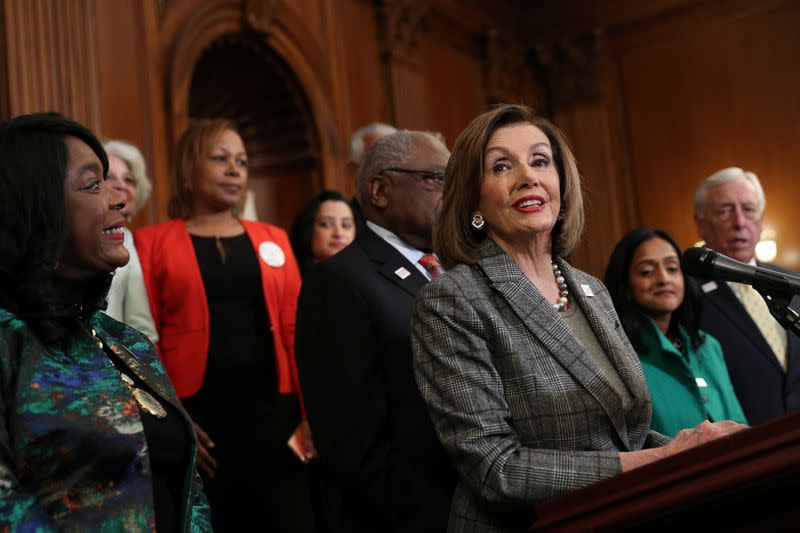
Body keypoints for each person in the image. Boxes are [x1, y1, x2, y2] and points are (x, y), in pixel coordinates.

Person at [410, 104, 745, 532]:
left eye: (539, 161)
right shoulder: (452, 300)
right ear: (474, 198)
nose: (527, 176)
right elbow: (496, 469)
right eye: (500, 166)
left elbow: (627, 435)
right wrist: (665, 457)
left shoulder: (592, 290)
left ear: (561, 187)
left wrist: (702, 449)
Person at [0, 113, 210, 531]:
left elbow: (189, 492)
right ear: (38, 209)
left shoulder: (127, 343)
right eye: (94, 184)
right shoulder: (8, 341)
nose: (120, 199)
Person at [135, 119, 314, 531]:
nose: (235, 170)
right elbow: (145, 339)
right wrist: (171, 419)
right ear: (189, 168)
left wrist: (310, 414)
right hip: (197, 411)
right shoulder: (152, 242)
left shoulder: (274, 238)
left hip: (274, 413)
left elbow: (296, 331)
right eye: (220, 159)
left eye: (242, 161)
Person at [295, 130, 457, 532]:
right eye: (436, 179)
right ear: (381, 190)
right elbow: (351, 442)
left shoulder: (458, 270)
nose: (452, 194)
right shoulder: (339, 280)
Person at [604, 227, 748, 437]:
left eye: (672, 268)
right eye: (646, 272)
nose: (663, 279)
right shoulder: (620, 357)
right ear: (626, 286)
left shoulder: (708, 346)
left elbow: (739, 423)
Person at [693, 167, 800, 424]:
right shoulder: (687, 294)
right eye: (724, 211)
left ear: (761, 220)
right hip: (744, 443)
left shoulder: (793, 283)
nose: (739, 222)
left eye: (749, 209)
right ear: (701, 224)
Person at [103, 140, 159, 343]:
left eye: (129, 180)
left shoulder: (127, 239)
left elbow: (141, 327)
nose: (121, 185)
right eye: (109, 177)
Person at [289, 189, 356, 277]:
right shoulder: (292, 279)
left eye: (346, 225)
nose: (339, 233)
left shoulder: (368, 279)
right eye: (326, 224)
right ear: (308, 229)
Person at [348, 122, 397, 233]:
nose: (388, 168)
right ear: (353, 169)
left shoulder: (416, 220)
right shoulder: (344, 226)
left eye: (396, 159)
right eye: (378, 160)